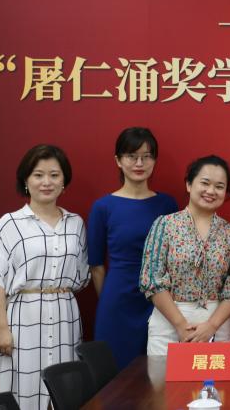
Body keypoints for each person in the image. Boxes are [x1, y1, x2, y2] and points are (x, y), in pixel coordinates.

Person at [0, 145, 89, 410]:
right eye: (38, 175)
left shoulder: (75, 223)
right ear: (26, 181)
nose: (46, 182)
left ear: (64, 181)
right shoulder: (10, 223)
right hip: (23, 319)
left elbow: (81, 273)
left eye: (54, 175)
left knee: (65, 388)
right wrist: (1, 329)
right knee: (24, 388)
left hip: (65, 314)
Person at [88, 127, 178, 368]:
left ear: (154, 161)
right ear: (118, 160)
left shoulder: (167, 204)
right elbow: (96, 265)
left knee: (158, 371)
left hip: (160, 299)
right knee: (114, 372)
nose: (139, 163)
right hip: (117, 299)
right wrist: (108, 300)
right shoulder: (103, 207)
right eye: (131, 156)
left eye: (146, 157)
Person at [139, 155, 230, 354]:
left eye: (219, 186)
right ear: (189, 184)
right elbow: (152, 279)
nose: (211, 191)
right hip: (170, 322)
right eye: (205, 183)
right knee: (164, 375)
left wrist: (211, 326)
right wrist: (181, 325)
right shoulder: (165, 225)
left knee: (214, 376)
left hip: (216, 324)